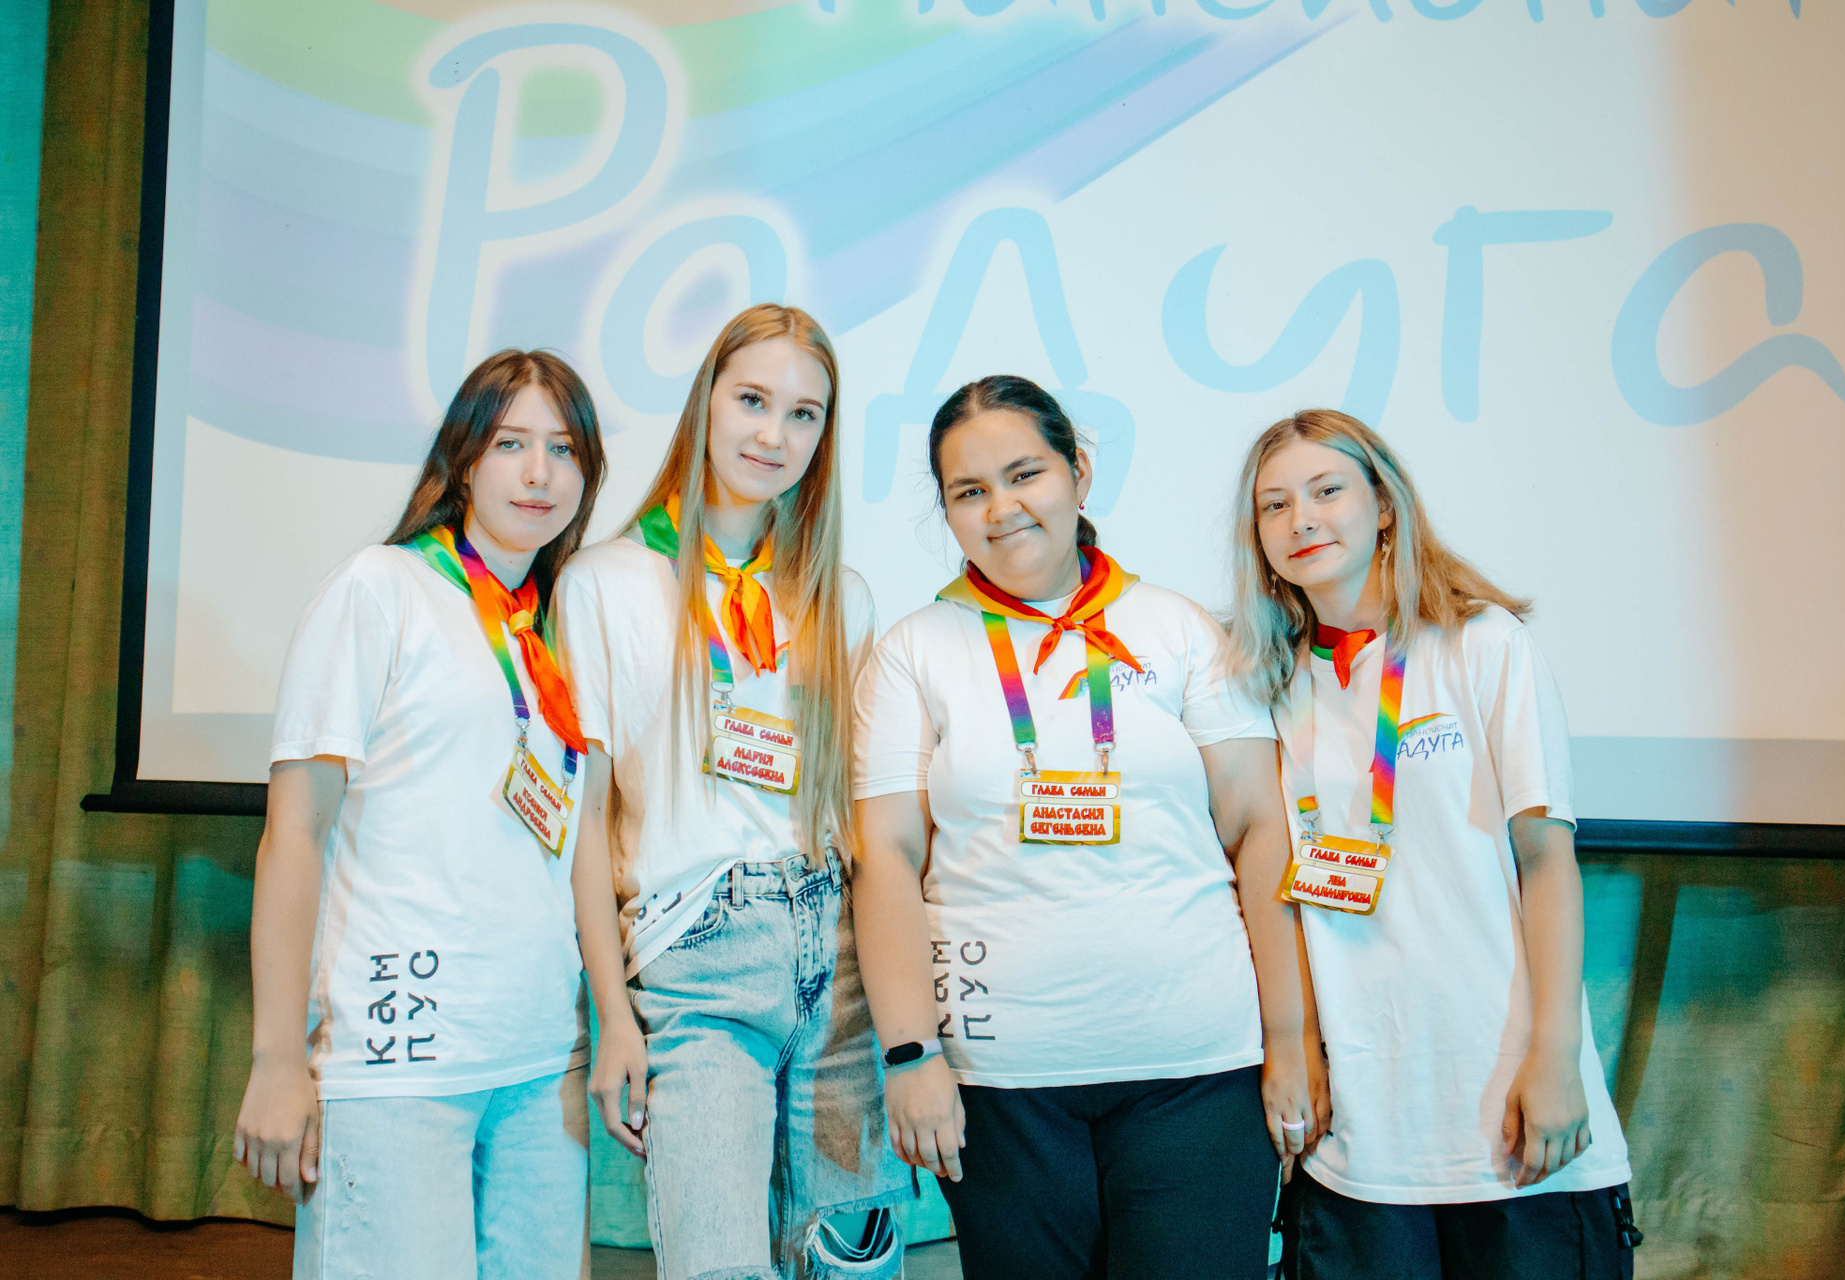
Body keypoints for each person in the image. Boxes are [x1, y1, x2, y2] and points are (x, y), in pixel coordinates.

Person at [851, 375, 1311, 1280]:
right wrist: (910, 1054)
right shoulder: (914, 650)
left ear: (1079, 473)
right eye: (969, 491)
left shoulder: (1179, 629)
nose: (1002, 509)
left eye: (1025, 474)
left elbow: (1260, 828)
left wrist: (1290, 1039)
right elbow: (886, 859)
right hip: (1000, 1087)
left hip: (1199, 1072)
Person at [234, 349, 641, 1280]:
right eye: (511, 444)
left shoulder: (556, 627)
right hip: (399, 1054)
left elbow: (578, 844)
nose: (540, 474)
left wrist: (610, 1018)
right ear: (463, 460)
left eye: (565, 450)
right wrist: (276, 1058)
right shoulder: (380, 587)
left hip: (542, 1061)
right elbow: (293, 834)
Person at [1226, 409, 1637, 1279]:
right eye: (1274, 505)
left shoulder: (1482, 644)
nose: (1301, 520)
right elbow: (1275, 887)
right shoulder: (1269, 682)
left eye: (1326, 491)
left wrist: (1556, 1056)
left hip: (1512, 1114)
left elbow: (1547, 863)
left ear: (1384, 506)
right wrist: (1297, 1045)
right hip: (1362, 1138)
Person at [555, 304, 909, 1280]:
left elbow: (865, 821)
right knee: (719, 1264)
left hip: (838, 955)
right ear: (706, 401)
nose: (773, 435)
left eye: (804, 414)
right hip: (696, 952)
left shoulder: (840, 596)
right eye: (753, 400)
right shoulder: (604, 583)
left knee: (852, 1267)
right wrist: (612, 1014)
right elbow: (584, 823)